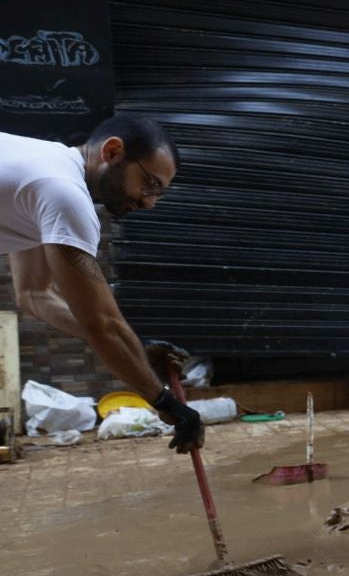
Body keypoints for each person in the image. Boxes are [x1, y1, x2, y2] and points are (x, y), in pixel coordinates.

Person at [2, 115, 203, 454]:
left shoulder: (45, 172)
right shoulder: (64, 192)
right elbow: (103, 325)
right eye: (149, 184)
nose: (149, 202)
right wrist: (167, 403)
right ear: (112, 151)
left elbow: (35, 295)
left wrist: (134, 348)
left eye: (158, 193)